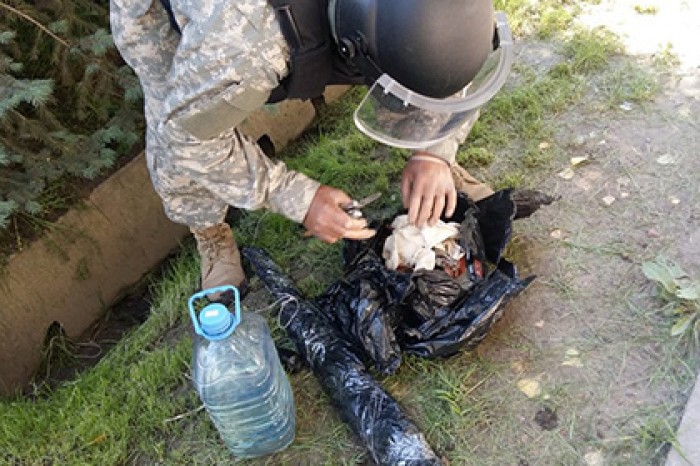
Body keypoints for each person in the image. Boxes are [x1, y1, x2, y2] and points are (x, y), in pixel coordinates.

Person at [109, 0, 513, 293]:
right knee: (177, 117)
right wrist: (296, 197)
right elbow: (188, 138)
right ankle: (208, 231)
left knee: (428, 57)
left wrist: (433, 150)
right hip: (176, 18)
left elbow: (452, 44)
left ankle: (436, 165)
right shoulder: (241, 52)